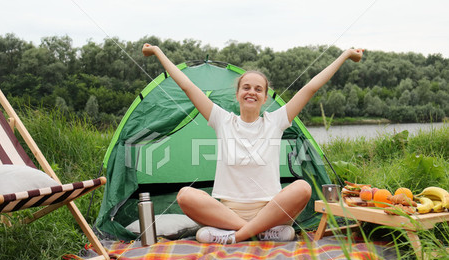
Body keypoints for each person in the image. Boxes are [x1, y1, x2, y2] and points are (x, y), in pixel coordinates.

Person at [142, 44, 363, 244]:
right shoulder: (222, 120)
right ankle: (261, 233)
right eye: (246, 87)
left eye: (258, 89)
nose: (251, 92)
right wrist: (158, 52)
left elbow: (310, 88)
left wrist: (344, 55)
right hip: (227, 213)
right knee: (184, 196)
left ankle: (235, 236)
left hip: (270, 211)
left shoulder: (275, 122)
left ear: (265, 97)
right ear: (237, 94)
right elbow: (188, 87)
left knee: (303, 188)